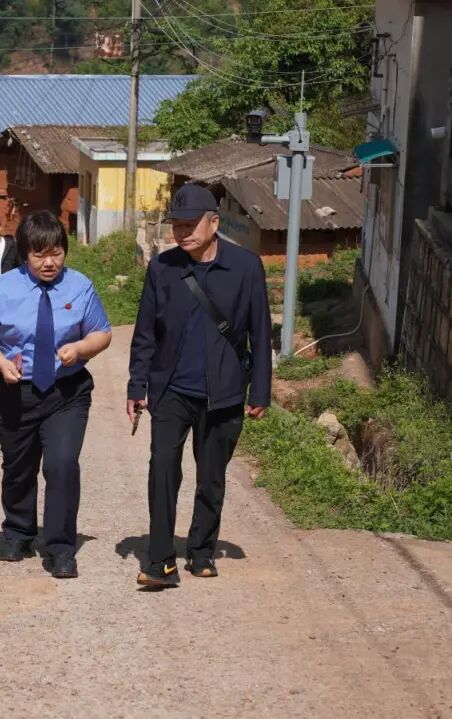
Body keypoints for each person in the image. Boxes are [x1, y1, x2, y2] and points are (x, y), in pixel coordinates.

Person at [127, 183, 272, 589]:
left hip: (224, 391)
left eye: (190, 225)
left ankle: (201, 550)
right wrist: (136, 386)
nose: (182, 233)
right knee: (162, 470)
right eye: (176, 225)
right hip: (171, 390)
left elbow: (260, 332)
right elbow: (145, 332)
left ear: (214, 223)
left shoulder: (245, 267)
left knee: (211, 477)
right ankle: (160, 561)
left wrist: (260, 391)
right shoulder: (163, 267)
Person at [0, 209, 112, 579]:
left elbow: (102, 332)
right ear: (25, 254)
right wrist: (0, 362)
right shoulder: (3, 289)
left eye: (56, 253)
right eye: (39, 255)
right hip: (15, 390)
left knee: (62, 464)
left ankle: (60, 546)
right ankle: (18, 531)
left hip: (67, 392)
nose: (49, 263)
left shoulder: (80, 286)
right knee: (18, 466)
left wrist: (80, 348)